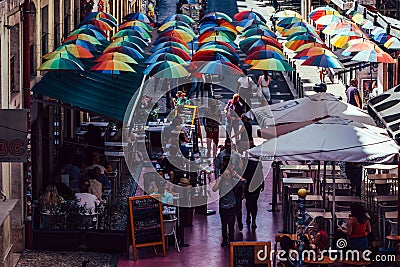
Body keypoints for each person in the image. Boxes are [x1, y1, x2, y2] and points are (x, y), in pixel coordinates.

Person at [212, 167, 246, 246]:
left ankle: (231, 240)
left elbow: (244, 181)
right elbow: (214, 189)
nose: (227, 176)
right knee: (224, 224)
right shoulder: (220, 183)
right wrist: (219, 180)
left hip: (231, 206)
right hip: (222, 206)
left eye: (229, 175)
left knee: (231, 224)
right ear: (223, 175)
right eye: (226, 175)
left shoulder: (233, 182)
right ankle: (224, 240)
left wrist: (237, 175)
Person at [243, 154, 264, 229]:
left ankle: (253, 219)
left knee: (254, 202)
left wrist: (262, 182)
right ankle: (248, 214)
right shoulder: (247, 161)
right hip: (248, 184)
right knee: (248, 202)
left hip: (256, 184)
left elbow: (260, 171)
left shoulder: (258, 161)